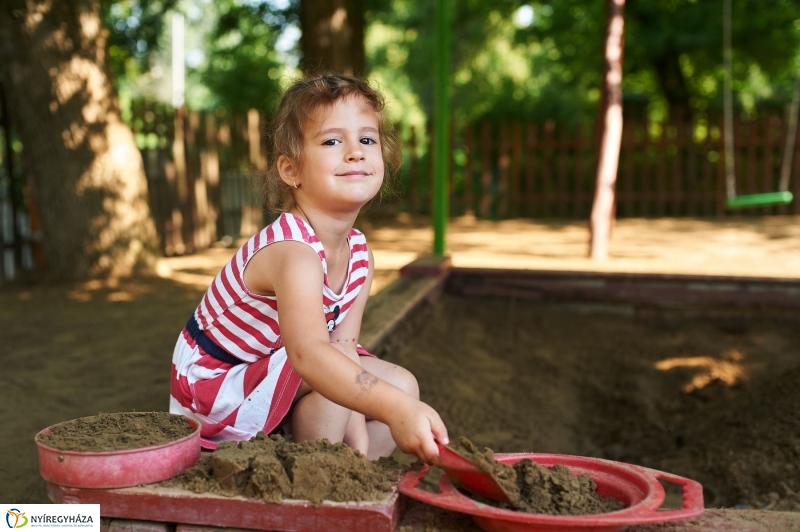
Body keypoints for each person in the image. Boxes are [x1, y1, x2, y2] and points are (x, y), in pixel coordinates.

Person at [169, 74, 448, 463]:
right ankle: (313, 479)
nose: (355, 152)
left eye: (367, 139)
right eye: (332, 141)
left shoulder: (360, 255)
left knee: (402, 385)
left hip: (280, 367)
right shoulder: (292, 251)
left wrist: (364, 429)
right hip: (216, 387)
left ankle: (343, 469)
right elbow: (311, 356)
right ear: (290, 170)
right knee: (374, 391)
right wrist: (393, 408)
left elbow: (345, 349)